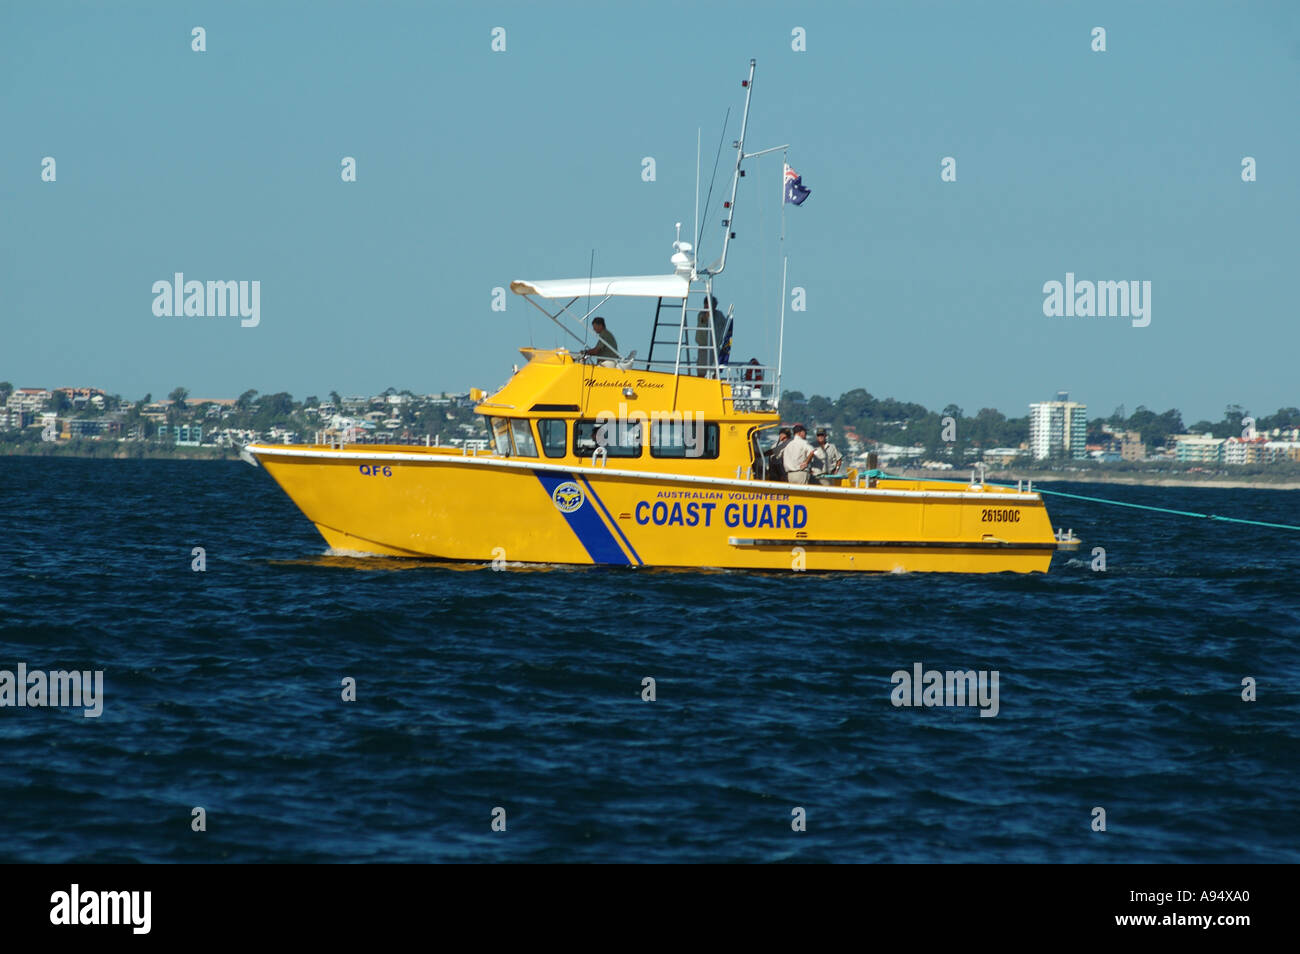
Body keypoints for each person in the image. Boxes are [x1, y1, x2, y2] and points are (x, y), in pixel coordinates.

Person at [695, 295, 719, 376]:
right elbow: (703, 320)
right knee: (702, 371)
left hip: (715, 348)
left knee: (714, 372)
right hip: (703, 347)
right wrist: (707, 315)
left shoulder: (719, 315)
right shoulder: (701, 315)